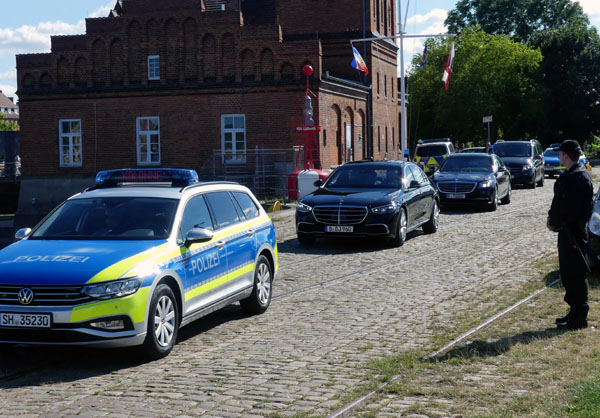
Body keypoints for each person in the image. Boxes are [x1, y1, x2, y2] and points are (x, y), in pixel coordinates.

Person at [547, 140, 594, 330]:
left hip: (573, 232)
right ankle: (573, 311)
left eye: (560, 154)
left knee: (575, 274)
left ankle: (579, 317)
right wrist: (553, 219)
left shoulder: (579, 177)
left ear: (566, 155)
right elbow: (560, 201)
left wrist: (556, 221)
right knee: (567, 273)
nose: (559, 156)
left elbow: (571, 208)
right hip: (565, 232)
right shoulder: (571, 174)